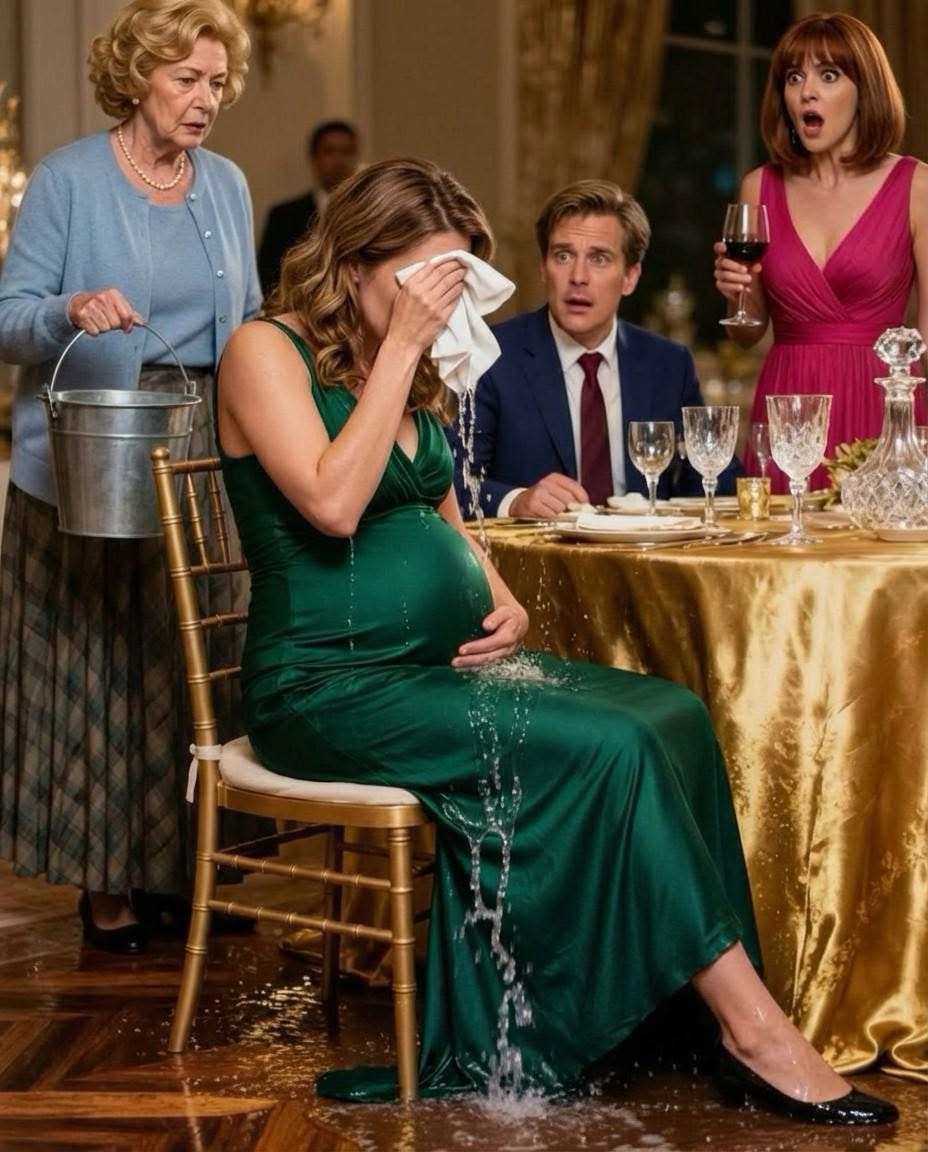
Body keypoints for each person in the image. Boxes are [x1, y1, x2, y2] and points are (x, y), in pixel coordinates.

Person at [215, 155, 896, 1124]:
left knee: (669, 714)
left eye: (454, 279)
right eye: (426, 278)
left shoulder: (395, 359)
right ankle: (753, 1033)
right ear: (357, 260)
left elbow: (440, 507)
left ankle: (667, 1012)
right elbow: (332, 504)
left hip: (433, 669)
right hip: (327, 686)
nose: (442, 305)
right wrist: (403, 350)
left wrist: (500, 596)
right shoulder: (264, 350)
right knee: (611, 747)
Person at [0, 0, 261, 955]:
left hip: (202, 447)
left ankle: (190, 872)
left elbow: (250, 319)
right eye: (186, 79)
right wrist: (67, 309)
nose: (205, 99)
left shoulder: (225, 183)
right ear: (139, 75)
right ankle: (106, 885)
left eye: (217, 83)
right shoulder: (68, 179)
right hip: (89, 452)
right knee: (100, 670)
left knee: (190, 663)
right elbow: (7, 318)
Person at [714, 11, 928, 493]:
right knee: (779, 537)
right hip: (789, 403)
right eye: (794, 77)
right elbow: (746, 334)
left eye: (828, 75)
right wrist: (735, 292)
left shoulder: (917, 186)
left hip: (883, 403)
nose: (806, 91)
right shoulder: (759, 186)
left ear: (865, 90)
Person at [451, 180, 738, 520]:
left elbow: (713, 480)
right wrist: (515, 501)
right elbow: (450, 481)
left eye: (599, 258)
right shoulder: (491, 355)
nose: (578, 277)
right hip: (537, 551)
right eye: (563, 256)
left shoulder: (668, 364)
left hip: (642, 549)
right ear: (543, 267)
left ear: (630, 277)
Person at [256, 119, 359, 298]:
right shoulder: (283, 216)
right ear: (314, 158)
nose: (339, 161)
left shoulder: (367, 212)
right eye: (329, 151)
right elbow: (268, 278)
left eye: (346, 152)